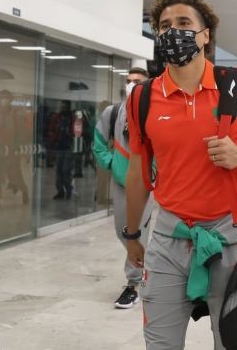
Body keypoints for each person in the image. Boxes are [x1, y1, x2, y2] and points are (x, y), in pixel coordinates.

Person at [123, 0, 237, 350]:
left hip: (232, 236)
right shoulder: (142, 98)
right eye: (165, 25)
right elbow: (139, 169)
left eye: (184, 23)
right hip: (168, 236)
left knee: (233, 339)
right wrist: (130, 233)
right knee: (159, 343)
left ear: (205, 35)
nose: (173, 31)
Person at [92, 66, 153, 309]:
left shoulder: (155, 110)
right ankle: (144, 271)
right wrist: (112, 164)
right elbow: (98, 143)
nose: (132, 84)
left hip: (150, 183)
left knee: (141, 232)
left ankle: (134, 284)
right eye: (128, 80)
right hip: (122, 182)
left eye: (137, 81)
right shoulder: (114, 111)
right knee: (123, 231)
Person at [49, 100, 75, 200]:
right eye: (62, 106)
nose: (63, 108)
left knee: (66, 170)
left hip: (69, 147)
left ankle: (68, 190)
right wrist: (53, 142)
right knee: (59, 170)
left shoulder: (72, 118)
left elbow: (76, 131)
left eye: (65, 106)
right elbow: (52, 130)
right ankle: (60, 191)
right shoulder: (58, 117)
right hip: (59, 147)